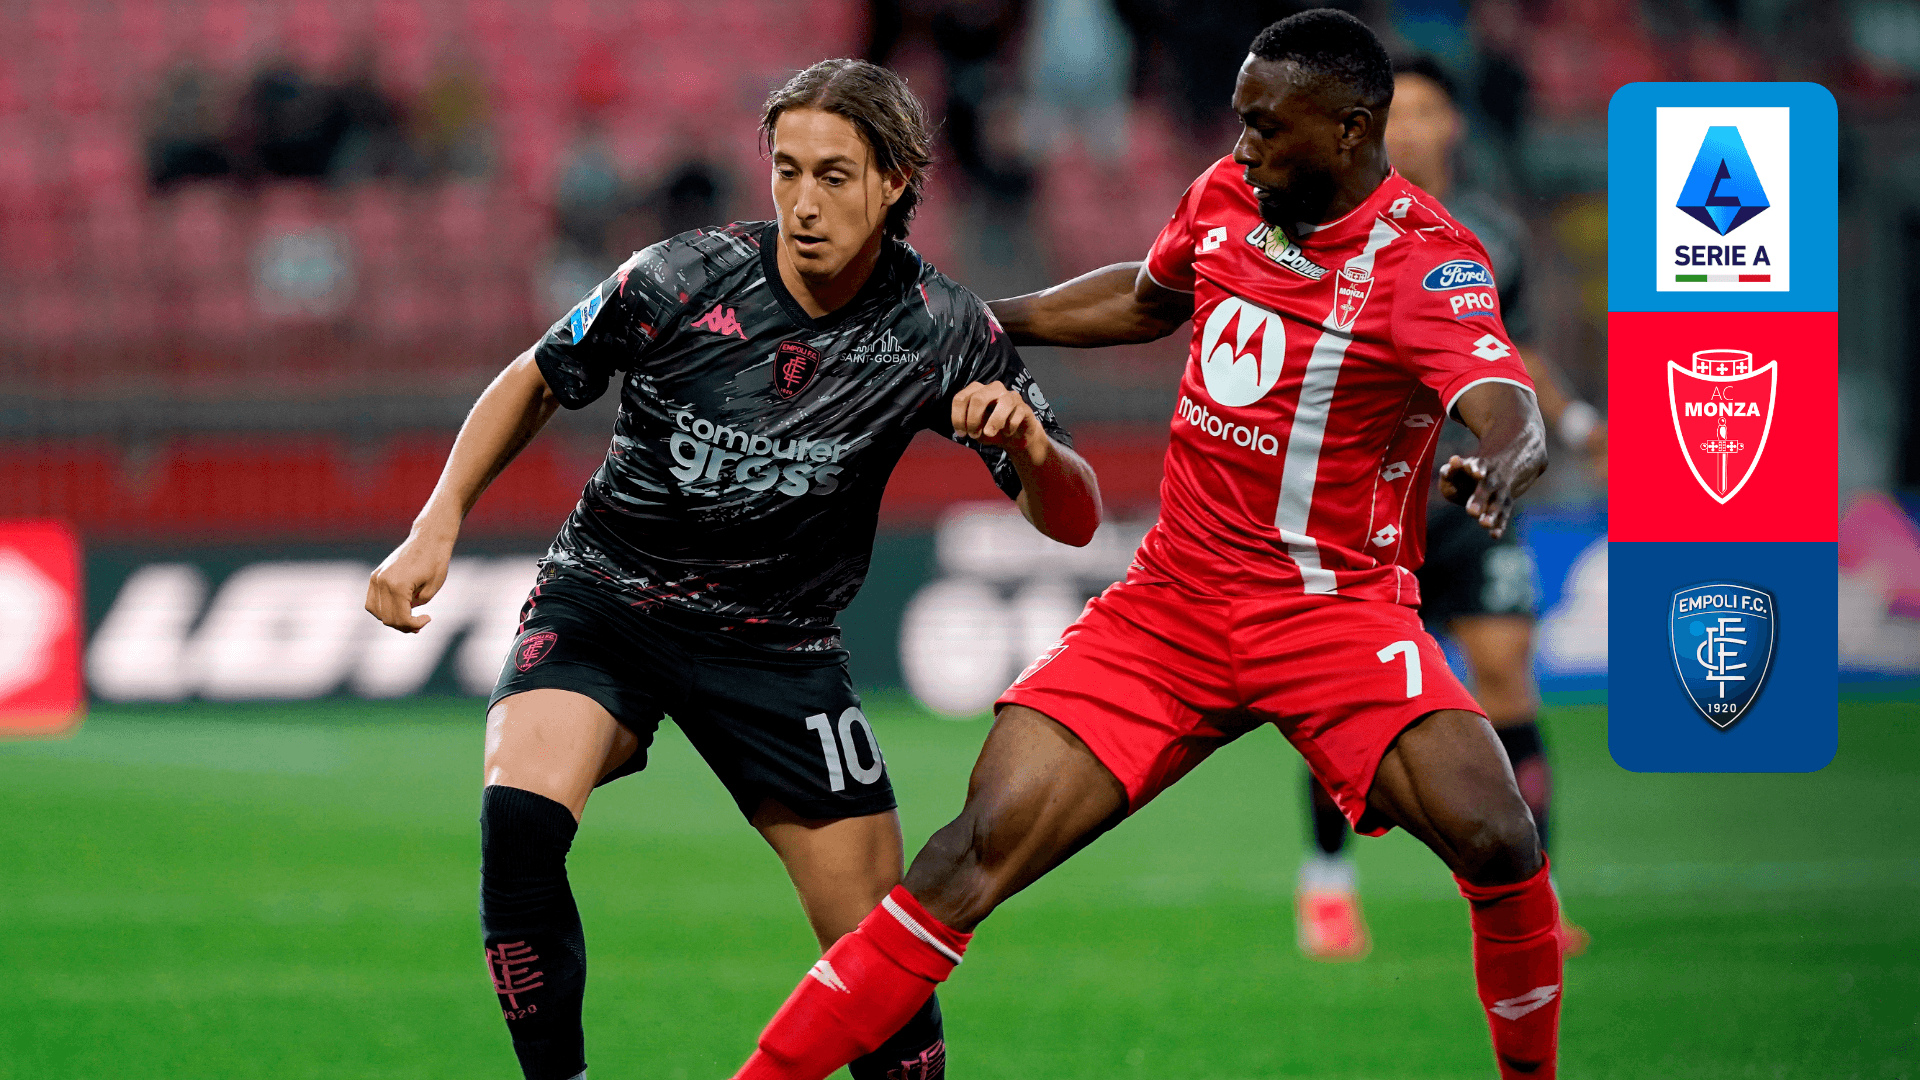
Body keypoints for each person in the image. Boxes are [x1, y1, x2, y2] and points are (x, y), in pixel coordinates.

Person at [728, 12, 1562, 1080]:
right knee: (968, 853)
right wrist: (975, 318)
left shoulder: (1428, 261)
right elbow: (1142, 298)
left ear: (1351, 129)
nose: (1244, 146)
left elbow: (1503, 400)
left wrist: (1502, 458)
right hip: (1173, 605)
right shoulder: (1227, 198)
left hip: (1330, 613)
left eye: (1268, 126)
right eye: (1241, 121)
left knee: (1498, 838)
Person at [364, 59, 1099, 1080]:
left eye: (833, 176)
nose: (803, 202)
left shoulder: (941, 330)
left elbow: (1075, 520)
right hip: (608, 599)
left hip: (778, 648)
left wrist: (1030, 446)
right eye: (787, 170)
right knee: (518, 824)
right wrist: (436, 520)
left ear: (895, 181)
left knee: (879, 959)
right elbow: (536, 376)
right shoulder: (680, 277)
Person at [1293, 52, 1600, 963]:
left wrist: (1574, 422)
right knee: (1341, 704)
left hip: (1472, 497)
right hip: (1366, 511)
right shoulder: (1329, 228)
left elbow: (1516, 354)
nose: (1414, 128)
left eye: (1429, 110)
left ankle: (1537, 891)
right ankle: (1327, 885)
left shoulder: (1494, 237)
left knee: (1506, 674)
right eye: (1400, 112)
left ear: (1453, 124)